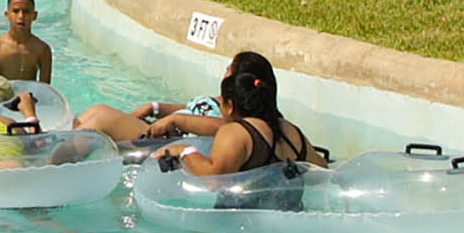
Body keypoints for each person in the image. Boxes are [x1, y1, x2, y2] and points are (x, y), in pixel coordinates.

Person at [149, 68, 328, 209]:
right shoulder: (291, 130)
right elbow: (322, 171)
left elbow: (213, 181)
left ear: (230, 106)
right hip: (286, 224)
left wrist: (183, 151)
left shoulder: (235, 132)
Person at [76, 51, 301, 146]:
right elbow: (192, 107)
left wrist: (175, 121)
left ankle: (49, 169)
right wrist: (155, 107)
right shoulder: (222, 102)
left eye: (228, 71)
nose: (224, 74)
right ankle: (51, 149)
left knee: (100, 117)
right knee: (92, 114)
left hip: (168, 140)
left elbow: (225, 127)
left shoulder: (236, 118)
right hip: (161, 127)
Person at [0, 0, 52, 84]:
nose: (21, 16)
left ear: (34, 16)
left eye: (26, 12)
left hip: (29, 96)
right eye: (15, 11)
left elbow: (45, 87)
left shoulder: (42, 49)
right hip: (3, 96)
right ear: (7, 15)